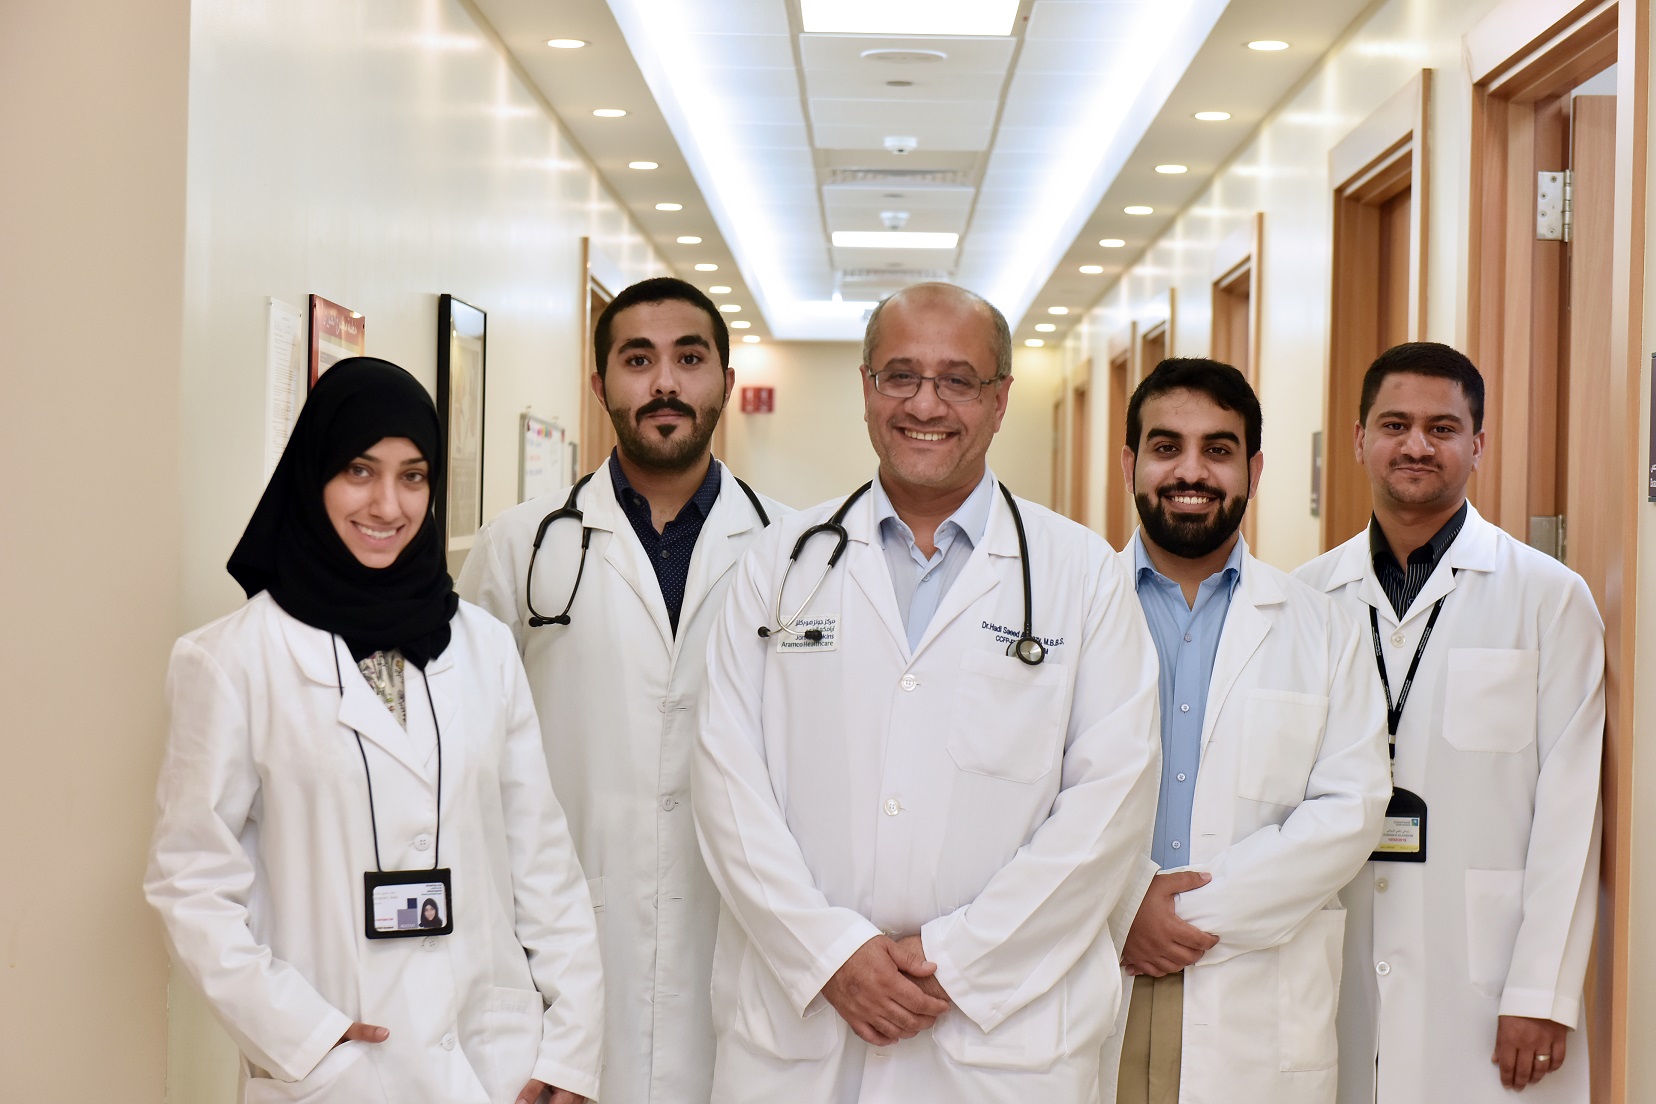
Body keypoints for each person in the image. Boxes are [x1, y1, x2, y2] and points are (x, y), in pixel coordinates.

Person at [691, 282, 1162, 1103]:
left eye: (958, 380)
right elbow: (726, 781)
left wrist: (961, 959)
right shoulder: (777, 564)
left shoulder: (1082, 575)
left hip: (1000, 1041)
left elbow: (1109, 805)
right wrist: (830, 954)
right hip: (805, 1028)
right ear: (867, 388)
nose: (925, 404)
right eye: (901, 376)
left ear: (1001, 398)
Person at [145, 357, 603, 1104]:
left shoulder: (484, 646)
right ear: (314, 475)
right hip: (339, 1067)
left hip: (492, 1061)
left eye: (412, 476)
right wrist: (304, 1036)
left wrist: (571, 1049)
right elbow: (190, 883)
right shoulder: (231, 660)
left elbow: (541, 859)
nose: (388, 505)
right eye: (360, 471)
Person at [458, 276, 785, 1104]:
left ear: (725, 381)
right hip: (560, 955)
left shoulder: (795, 549)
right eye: (638, 361)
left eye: (689, 359)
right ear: (600, 383)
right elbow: (465, 765)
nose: (665, 383)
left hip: (739, 950)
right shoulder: (518, 547)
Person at [1294, 342, 1604, 1103]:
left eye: (1442, 428)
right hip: (1331, 962)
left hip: (1486, 977)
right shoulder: (1306, 598)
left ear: (1478, 445)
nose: (1417, 446)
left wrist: (1541, 991)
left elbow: (1571, 813)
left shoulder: (1548, 597)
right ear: (1359, 440)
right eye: (1394, 425)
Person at [1105, 358, 1390, 1104]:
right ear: (1130, 464)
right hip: (1095, 971)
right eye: (1166, 447)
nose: (1190, 471)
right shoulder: (1071, 614)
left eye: (1218, 449)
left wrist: (1171, 915)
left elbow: (1349, 811)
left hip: (1251, 986)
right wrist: (1122, 904)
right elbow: (1027, 791)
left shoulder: (1325, 629)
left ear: (1253, 470)